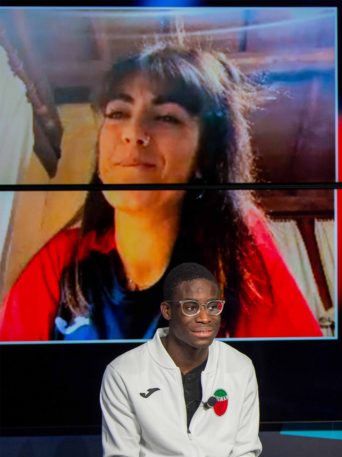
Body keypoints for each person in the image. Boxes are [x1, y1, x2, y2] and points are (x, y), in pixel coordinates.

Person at [0, 42, 322, 341]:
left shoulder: (235, 251)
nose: (133, 132)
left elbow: (299, 374)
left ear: (203, 158)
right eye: (117, 113)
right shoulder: (59, 264)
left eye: (167, 117)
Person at [100, 262, 261, 457]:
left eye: (213, 306)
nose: (205, 318)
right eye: (191, 307)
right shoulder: (123, 372)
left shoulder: (240, 367)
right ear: (167, 311)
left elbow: (243, 456)